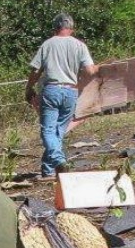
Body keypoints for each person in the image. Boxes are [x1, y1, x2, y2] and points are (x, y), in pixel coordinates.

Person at [25, 13, 98, 180]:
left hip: (51, 90)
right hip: (71, 91)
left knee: (49, 131)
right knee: (58, 131)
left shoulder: (48, 44)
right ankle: (48, 169)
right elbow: (90, 71)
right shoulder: (80, 46)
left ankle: (58, 160)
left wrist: (29, 88)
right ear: (71, 29)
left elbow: (36, 70)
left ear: (55, 27)